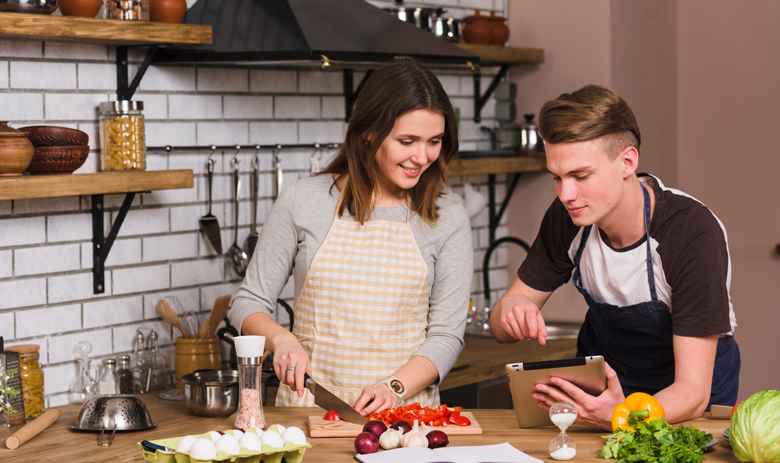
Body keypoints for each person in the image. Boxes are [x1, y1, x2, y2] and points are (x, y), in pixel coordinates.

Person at [230, 59, 473, 416]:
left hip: (404, 417)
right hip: (308, 411)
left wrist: (393, 388)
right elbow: (247, 302)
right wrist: (281, 340)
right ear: (368, 131)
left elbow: (447, 336)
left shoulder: (447, 216)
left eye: (434, 141)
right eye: (407, 141)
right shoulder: (303, 200)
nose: (422, 157)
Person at [489, 85, 740, 430]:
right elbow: (499, 329)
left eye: (580, 175)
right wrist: (513, 306)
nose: (565, 194)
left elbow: (693, 391)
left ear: (627, 162)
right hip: (604, 393)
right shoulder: (569, 217)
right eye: (557, 177)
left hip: (685, 403)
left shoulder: (692, 233)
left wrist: (621, 416)